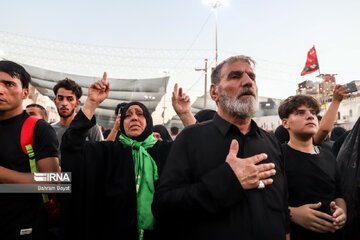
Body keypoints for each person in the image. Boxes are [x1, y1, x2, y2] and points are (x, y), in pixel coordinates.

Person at [153, 55, 289, 240]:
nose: (248, 82)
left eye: (252, 77)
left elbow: (279, 204)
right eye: (235, 76)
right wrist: (228, 181)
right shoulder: (191, 138)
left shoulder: (271, 142)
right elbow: (164, 206)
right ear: (214, 92)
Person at [60, 73, 191, 240]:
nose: (134, 117)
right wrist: (91, 103)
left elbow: (198, 149)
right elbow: (71, 145)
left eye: (139, 113)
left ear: (148, 121)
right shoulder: (108, 152)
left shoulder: (166, 151)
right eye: (128, 115)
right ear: (122, 123)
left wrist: (185, 113)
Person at [0, 60, 59, 239]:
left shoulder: (38, 128)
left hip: (23, 228)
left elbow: (53, 182)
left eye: (8, 84)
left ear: (25, 93)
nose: (0, 90)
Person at [278, 94, 346, 240]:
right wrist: (292, 213)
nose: (310, 116)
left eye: (313, 113)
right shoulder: (277, 156)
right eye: (300, 113)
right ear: (285, 123)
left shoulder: (328, 156)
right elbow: (266, 200)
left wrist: (342, 212)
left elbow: (339, 195)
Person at [51, 78, 103, 152]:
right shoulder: (50, 130)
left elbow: (101, 155)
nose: (64, 103)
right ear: (55, 101)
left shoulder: (91, 128)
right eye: (60, 98)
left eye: (70, 99)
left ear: (77, 103)